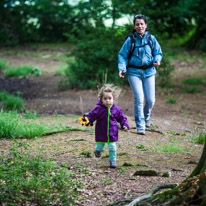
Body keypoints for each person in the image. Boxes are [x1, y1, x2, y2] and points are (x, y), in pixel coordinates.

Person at [118, 14, 163, 135]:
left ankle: (146, 117)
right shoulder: (130, 40)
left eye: (142, 24)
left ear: (146, 25)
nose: (140, 26)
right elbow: (122, 55)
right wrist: (122, 68)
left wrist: (157, 59)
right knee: (139, 98)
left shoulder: (151, 39)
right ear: (134, 26)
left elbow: (158, 52)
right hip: (134, 72)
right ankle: (140, 125)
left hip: (149, 72)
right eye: (137, 24)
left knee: (150, 101)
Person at [79, 84, 129, 168]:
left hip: (112, 133)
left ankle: (113, 160)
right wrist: (86, 120)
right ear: (101, 99)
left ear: (114, 99)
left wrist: (124, 125)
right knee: (100, 147)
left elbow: (122, 118)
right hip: (100, 132)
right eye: (105, 99)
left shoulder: (116, 109)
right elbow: (91, 115)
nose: (107, 101)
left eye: (110, 98)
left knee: (112, 147)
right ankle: (98, 151)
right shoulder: (98, 108)